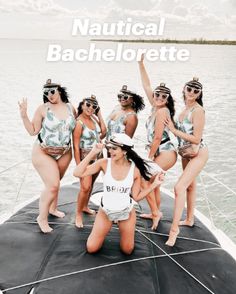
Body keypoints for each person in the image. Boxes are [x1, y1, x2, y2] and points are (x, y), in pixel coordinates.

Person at [73, 133, 165, 254]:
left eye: (114, 148)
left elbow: (136, 197)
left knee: (127, 250)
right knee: (91, 248)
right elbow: (77, 173)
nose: (110, 151)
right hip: (105, 212)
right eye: (109, 148)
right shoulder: (104, 163)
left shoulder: (135, 170)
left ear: (125, 151)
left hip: (126, 212)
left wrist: (154, 185)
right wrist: (93, 152)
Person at [18, 79, 76, 233]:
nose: (49, 95)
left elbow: (76, 130)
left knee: (56, 182)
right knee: (53, 185)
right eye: (46, 93)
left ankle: (53, 208)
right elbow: (33, 131)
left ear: (59, 90)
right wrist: (24, 116)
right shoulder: (43, 109)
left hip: (64, 152)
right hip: (43, 152)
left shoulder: (71, 108)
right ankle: (41, 218)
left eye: (52, 91)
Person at [164, 77, 209, 246]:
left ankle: (174, 230)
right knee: (190, 185)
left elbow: (196, 139)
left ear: (199, 94)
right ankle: (189, 219)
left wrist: (173, 129)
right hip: (185, 152)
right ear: (184, 89)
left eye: (196, 91)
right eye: (189, 89)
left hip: (198, 152)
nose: (191, 92)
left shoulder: (198, 111)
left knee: (179, 187)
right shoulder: (184, 108)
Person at [138, 54, 177, 229]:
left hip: (165, 151)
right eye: (157, 95)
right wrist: (141, 64)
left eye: (163, 97)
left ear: (167, 99)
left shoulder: (162, 112)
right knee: (155, 185)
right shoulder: (155, 107)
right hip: (161, 151)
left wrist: (149, 157)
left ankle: (155, 213)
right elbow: (146, 85)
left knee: (144, 179)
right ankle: (156, 211)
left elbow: (157, 137)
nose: (160, 98)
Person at [73, 95, 106, 228]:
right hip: (85, 159)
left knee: (91, 184)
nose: (90, 108)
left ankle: (85, 206)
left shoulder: (93, 118)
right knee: (84, 187)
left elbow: (103, 132)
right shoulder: (79, 122)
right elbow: (75, 146)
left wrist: (99, 114)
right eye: (88, 105)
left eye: (94, 106)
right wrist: (79, 165)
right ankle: (78, 214)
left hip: (98, 157)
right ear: (82, 105)